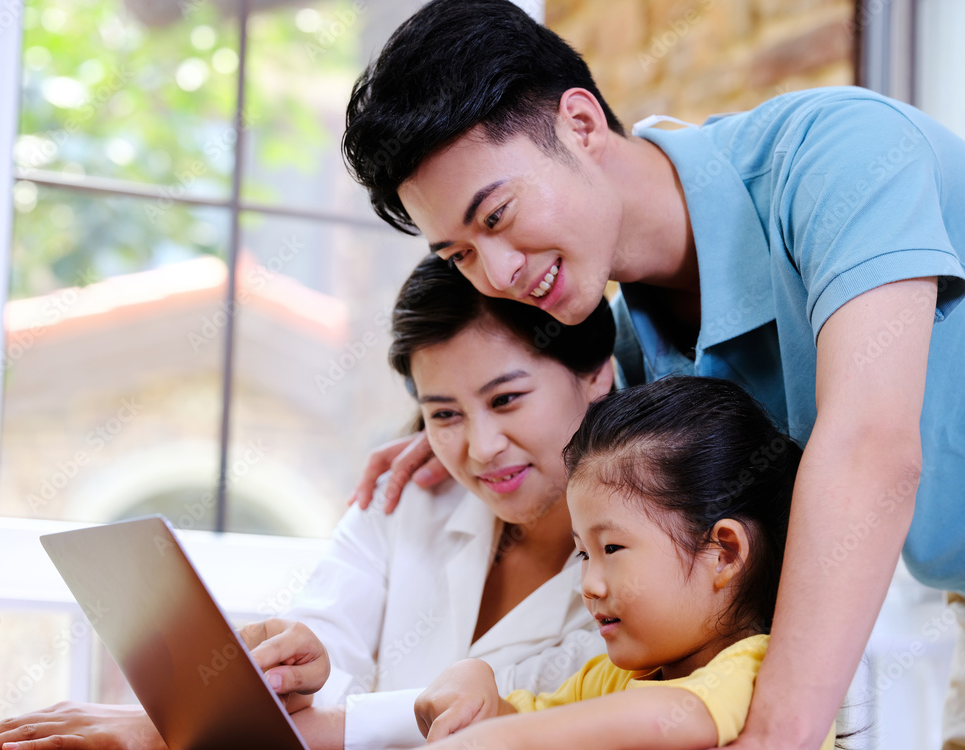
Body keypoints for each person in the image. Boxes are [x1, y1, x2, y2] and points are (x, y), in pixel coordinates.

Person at [340, 1, 965, 748]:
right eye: (460, 255)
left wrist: (775, 736)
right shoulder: (634, 355)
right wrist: (459, 429)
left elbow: (870, 445)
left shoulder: (840, 157)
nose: (497, 272)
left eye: (498, 216)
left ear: (579, 123)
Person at [0, 254, 615, 750]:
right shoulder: (404, 498)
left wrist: (161, 730)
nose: (479, 447)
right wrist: (304, 666)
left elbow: (526, 718)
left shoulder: (651, 558)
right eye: (443, 414)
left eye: (506, 400)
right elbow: (326, 644)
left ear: (596, 374)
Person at [412, 377, 836, 750]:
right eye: (583, 554)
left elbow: (677, 715)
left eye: (611, 549)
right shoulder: (610, 681)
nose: (589, 586)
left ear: (723, 553)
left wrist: (499, 739)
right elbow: (520, 725)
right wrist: (474, 683)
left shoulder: (763, 669)